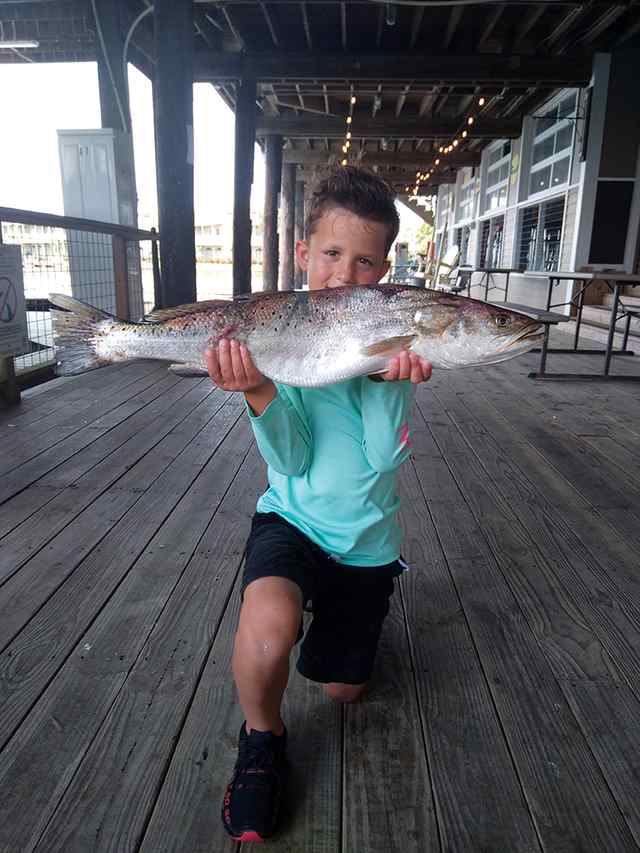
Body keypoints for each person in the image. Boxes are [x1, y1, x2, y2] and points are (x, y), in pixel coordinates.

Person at [206, 166, 433, 843]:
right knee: (269, 628)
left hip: (365, 539)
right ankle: (262, 736)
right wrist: (258, 392)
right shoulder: (286, 335)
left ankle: (350, 623)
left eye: (364, 260)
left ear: (384, 270)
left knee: (342, 691)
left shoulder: (389, 343)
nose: (344, 271)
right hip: (292, 518)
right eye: (331, 253)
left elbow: (386, 459)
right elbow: (292, 459)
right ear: (304, 254)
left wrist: (389, 383)